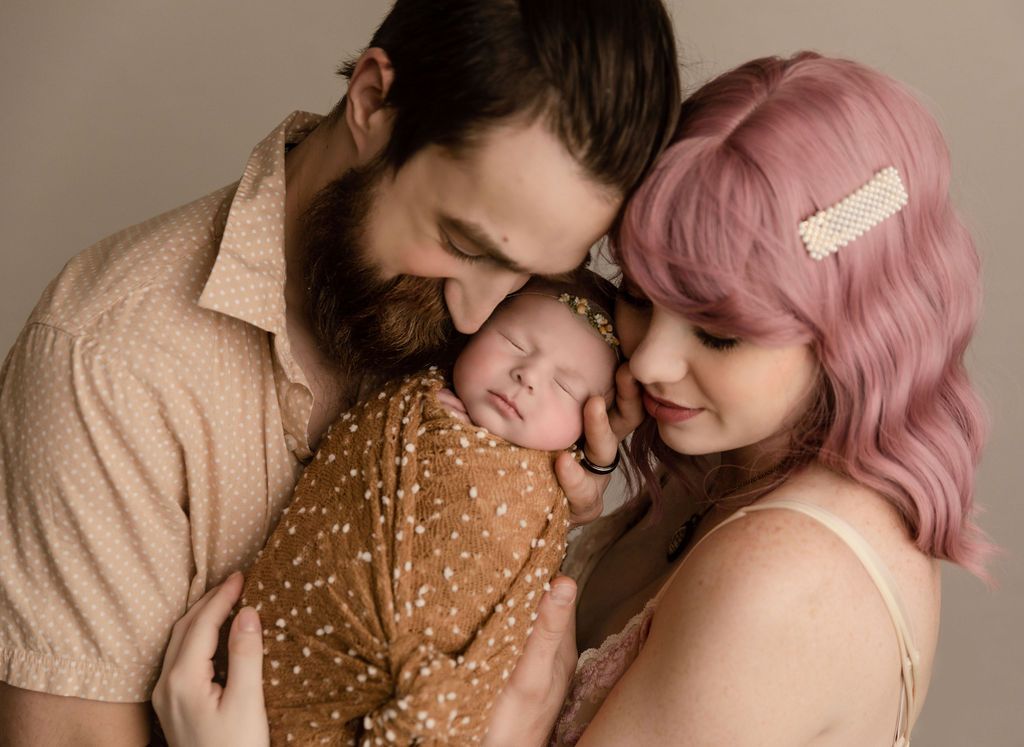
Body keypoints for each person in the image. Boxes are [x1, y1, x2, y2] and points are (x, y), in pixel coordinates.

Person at [156, 52, 990, 746]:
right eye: (639, 291)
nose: (652, 360)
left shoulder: (786, 582)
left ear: (857, 325)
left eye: (719, 332)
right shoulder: (732, 474)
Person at [0, 1, 680, 743]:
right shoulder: (109, 366)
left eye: (530, 275)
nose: (480, 315)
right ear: (372, 99)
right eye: (464, 242)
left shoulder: (507, 346)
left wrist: (549, 494)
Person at [244, 274, 620, 745]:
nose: (528, 374)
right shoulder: (403, 398)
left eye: (565, 386)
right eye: (512, 341)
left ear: (589, 427)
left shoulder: (551, 487)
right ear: (471, 332)